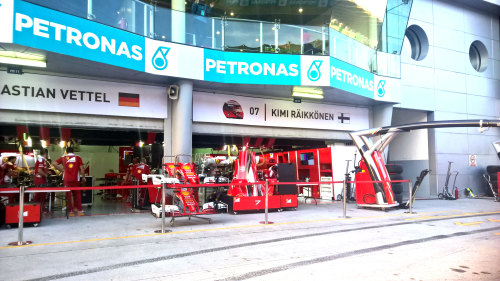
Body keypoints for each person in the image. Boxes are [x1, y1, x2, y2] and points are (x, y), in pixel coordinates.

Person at [54, 147, 86, 217]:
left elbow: (54, 164)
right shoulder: (78, 157)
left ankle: (70, 211)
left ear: (66, 151)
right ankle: (79, 210)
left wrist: (62, 170)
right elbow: (82, 169)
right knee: (77, 194)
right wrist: (83, 177)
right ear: (73, 151)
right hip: (75, 180)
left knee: (68, 195)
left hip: (66, 180)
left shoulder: (63, 157)